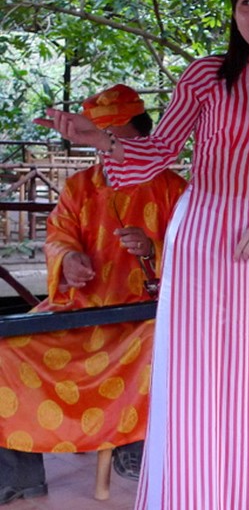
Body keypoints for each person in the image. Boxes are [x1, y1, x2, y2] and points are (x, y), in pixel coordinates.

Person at [33, 0, 249, 509]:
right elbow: (155, 153)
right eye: (245, 2)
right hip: (199, 232)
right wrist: (98, 140)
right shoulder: (205, 74)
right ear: (235, 14)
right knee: (193, 372)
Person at [0, 84, 186, 504]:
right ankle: (20, 474)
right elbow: (58, 236)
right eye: (102, 137)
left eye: (118, 137)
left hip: (143, 319)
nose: (110, 147)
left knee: (162, 346)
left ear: (145, 138)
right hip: (81, 313)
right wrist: (67, 260)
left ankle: (135, 446)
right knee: (6, 348)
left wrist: (154, 249)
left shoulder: (174, 189)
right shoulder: (80, 187)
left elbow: (196, 253)